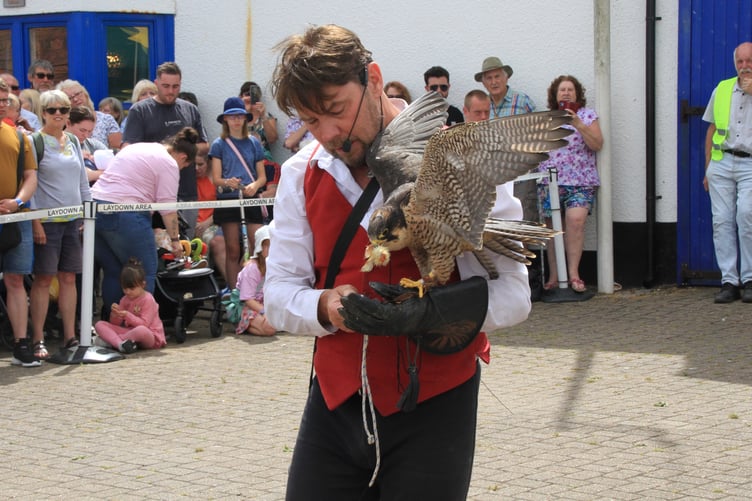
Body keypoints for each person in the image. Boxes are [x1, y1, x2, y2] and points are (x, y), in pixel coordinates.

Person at [267, 24, 531, 499]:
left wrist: (428, 314)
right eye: (310, 121)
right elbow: (278, 294)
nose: (327, 135)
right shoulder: (298, 174)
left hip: (435, 407)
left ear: (373, 78)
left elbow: (514, 296)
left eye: (335, 111)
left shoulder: (462, 155)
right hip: (335, 403)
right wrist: (326, 306)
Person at [91, 127, 198, 320]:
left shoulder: (137, 147)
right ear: (182, 157)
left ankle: (113, 322)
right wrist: (175, 240)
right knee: (146, 271)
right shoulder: (169, 163)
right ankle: (141, 324)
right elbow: (167, 207)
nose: (180, 170)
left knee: (114, 271)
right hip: (128, 213)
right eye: (184, 166)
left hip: (96, 208)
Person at [29, 90, 92, 356]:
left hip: (72, 220)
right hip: (47, 220)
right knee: (43, 279)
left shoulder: (74, 142)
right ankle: (37, 338)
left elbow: (82, 181)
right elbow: (29, 183)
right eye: (52, 110)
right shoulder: (34, 141)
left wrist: (86, 214)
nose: (58, 115)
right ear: (42, 112)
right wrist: (35, 221)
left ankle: (69, 336)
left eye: (63, 110)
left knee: (69, 277)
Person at [123, 62, 209, 238]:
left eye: (175, 86)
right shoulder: (140, 110)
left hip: (186, 190)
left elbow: (204, 145)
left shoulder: (189, 109)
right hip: (151, 194)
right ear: (156, 84)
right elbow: (127, 149)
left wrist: (182, 150)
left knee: (187, 248)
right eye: (166, 86)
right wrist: (165, 153)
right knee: (157, 250)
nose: (170, 91)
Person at [537, 75, 604, 293]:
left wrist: (578, 124)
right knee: (554, 229)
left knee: (575, 221)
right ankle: (555, 276)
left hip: (580, 181)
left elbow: (597, 144)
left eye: (570, 90)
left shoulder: (586, 116)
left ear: (577, 94)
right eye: (562, 90)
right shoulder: (546, 118)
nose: (566, 93)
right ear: (555, 95)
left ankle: (574, 274)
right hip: (550, 181)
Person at [703, 42, 752, 303]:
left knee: (747, 215)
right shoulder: (722, 89)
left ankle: (750, 278)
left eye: (749, 61)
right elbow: (711, 130)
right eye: (741, 61)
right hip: (721, 164)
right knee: (721, 221)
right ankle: (729, 281)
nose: (745, 66)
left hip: (750, 165)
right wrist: (707, 168)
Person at [0, 77, 39, 367]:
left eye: (6, 100)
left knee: (16, 279)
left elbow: (30, 177)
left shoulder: (20, 135)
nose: (3, 105)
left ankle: (21, 343)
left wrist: (18, 202)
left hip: (15, 216)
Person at [209, 97, 267, 289]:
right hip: (229, 199)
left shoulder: (254, 142)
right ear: (225, 119)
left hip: (250, 198)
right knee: (233, 249)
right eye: (231, 117)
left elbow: (262, 177)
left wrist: (254, 185)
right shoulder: (219, 144)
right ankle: (235, 293)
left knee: (256, 246)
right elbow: (215, 178)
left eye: (239, 116)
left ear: (245, 118)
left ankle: (258, 290)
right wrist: (228, 182)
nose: (236, 120)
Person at [94, 258, 167, 353]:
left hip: (150, 335)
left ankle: (112, 342)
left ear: (142, 285)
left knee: (141, 330)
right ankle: (120, 344)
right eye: (124, 288)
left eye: (132, 288)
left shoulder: (148, 299)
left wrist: (127, 315)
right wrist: (115, 314)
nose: (127, 292)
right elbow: (116, 323)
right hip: (129, 332)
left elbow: (144, 324)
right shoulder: (124, 299)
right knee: (100, 324)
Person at [233, 224, 276, 336]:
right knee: (269, 328)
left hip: (268, 304)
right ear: (260, 248)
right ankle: (246, 324)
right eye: (267, 246)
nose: (271, 250)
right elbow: (247, 298)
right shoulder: (252, 268)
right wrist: (264, 311)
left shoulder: (277, 266)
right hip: (250, 305)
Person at [57, 80, 122, 150]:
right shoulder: (61, 122)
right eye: (69, 98)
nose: (75, 99)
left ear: (85, 94)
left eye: (77, 94)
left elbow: (116, 149)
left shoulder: (106, 119)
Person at [66, 106, 109, 185]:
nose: (86, 135)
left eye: (90, 131)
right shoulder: (56, 144)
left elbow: (112, 168)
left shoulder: (94, 145)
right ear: (68, 123)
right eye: (82, 130)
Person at [239, 81, 278, 162]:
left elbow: (272, 139)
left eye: (252, 94)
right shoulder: (236, 117)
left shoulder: (267, 116)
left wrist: (263, 115)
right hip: (243, 162)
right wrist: (243, 111)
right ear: (240, 97)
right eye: (247, 94)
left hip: (264, 162)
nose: (250, 97)